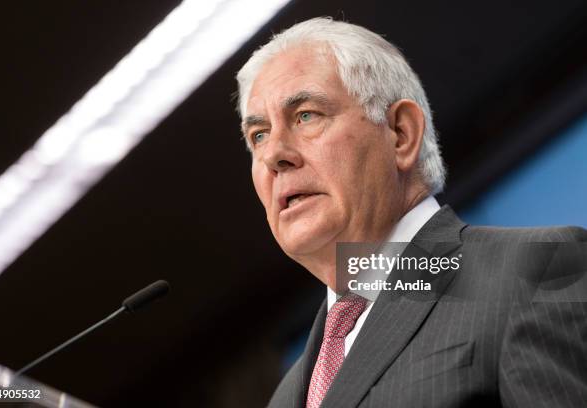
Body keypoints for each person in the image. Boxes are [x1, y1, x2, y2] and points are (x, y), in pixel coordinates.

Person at [235, 17, 587, 407]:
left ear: (400, 134)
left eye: (305, 115)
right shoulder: (286, 396)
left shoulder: (531, 273)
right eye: (259, 135)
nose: (273, 155)